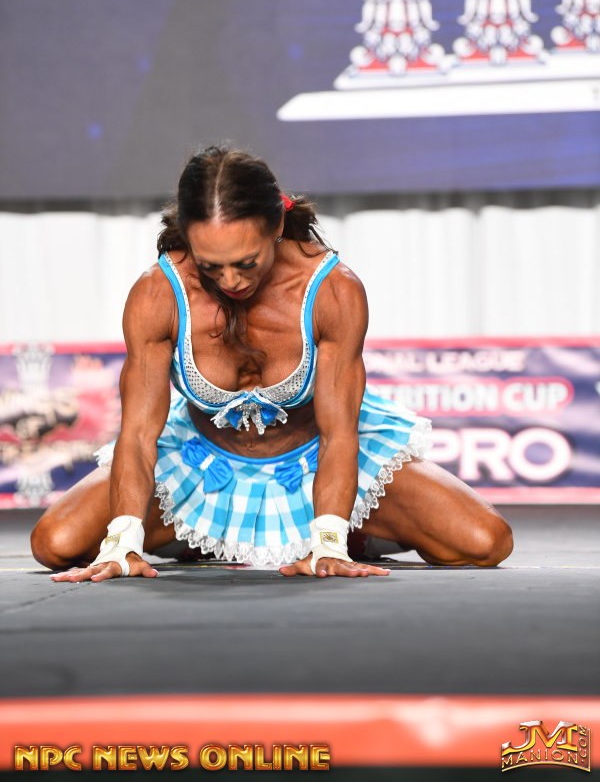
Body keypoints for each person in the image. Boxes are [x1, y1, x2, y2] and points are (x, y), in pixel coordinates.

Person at [31, 145, 513, 582]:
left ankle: (346, 531)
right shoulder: (158, 294)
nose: (230, 281)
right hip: (201, 466)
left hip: (316, 462)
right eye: (210, 265)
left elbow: (339, 432)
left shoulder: (332, 290)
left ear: (276, 227)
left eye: (246, 263)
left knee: (484, 541)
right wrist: (122, 542)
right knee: (56, 543)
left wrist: (330, 543)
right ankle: (205, 533)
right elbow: (138, 433)